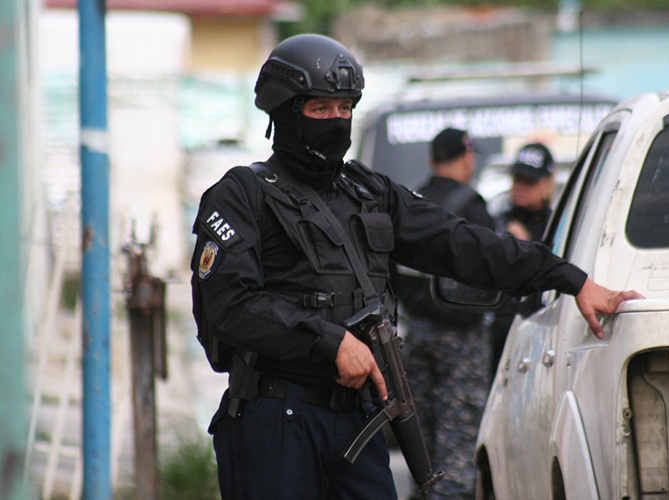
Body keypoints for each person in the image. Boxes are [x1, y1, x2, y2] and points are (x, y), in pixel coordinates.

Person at [190, 33, 642, 500]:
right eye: (320, 109)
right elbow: (232, 304)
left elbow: (461, 243)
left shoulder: (366, 192)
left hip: (356, 419)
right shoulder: (242, 195)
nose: (336, 121)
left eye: (345, 109)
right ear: (285, 112)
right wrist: (329, 341)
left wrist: (571, 279)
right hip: (275, 417)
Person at [390, 127, 495, 499]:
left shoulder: (409, 205)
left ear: (433, 160)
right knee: (458, 448)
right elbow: (492, 272)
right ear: (466, 158)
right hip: (461, 342)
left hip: (412, 336)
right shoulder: (472, 207)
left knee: (421, 445)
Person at [489, 143, 557, 375]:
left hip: (539, 329)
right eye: (518, 179)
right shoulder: (497, 221)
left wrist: (525, 244)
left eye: (530, 181)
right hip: (498, 328)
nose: (521, 187)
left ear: (547, 184)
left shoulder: (557, 225)